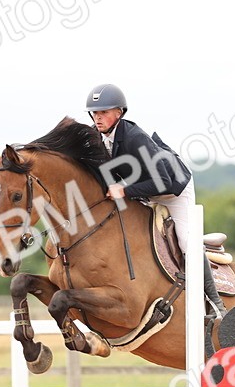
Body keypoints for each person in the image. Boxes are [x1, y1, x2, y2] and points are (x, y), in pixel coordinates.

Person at [86, 83, 226, 319]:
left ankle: (216, 304)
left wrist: (123, 190)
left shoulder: (135, 138)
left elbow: (161, 182)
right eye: (95, 113)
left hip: (173, 190)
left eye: (104, 113)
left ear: (119, 113)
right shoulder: (97, 137)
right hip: (142, 191)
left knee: (186, 243)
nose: (98, 118)